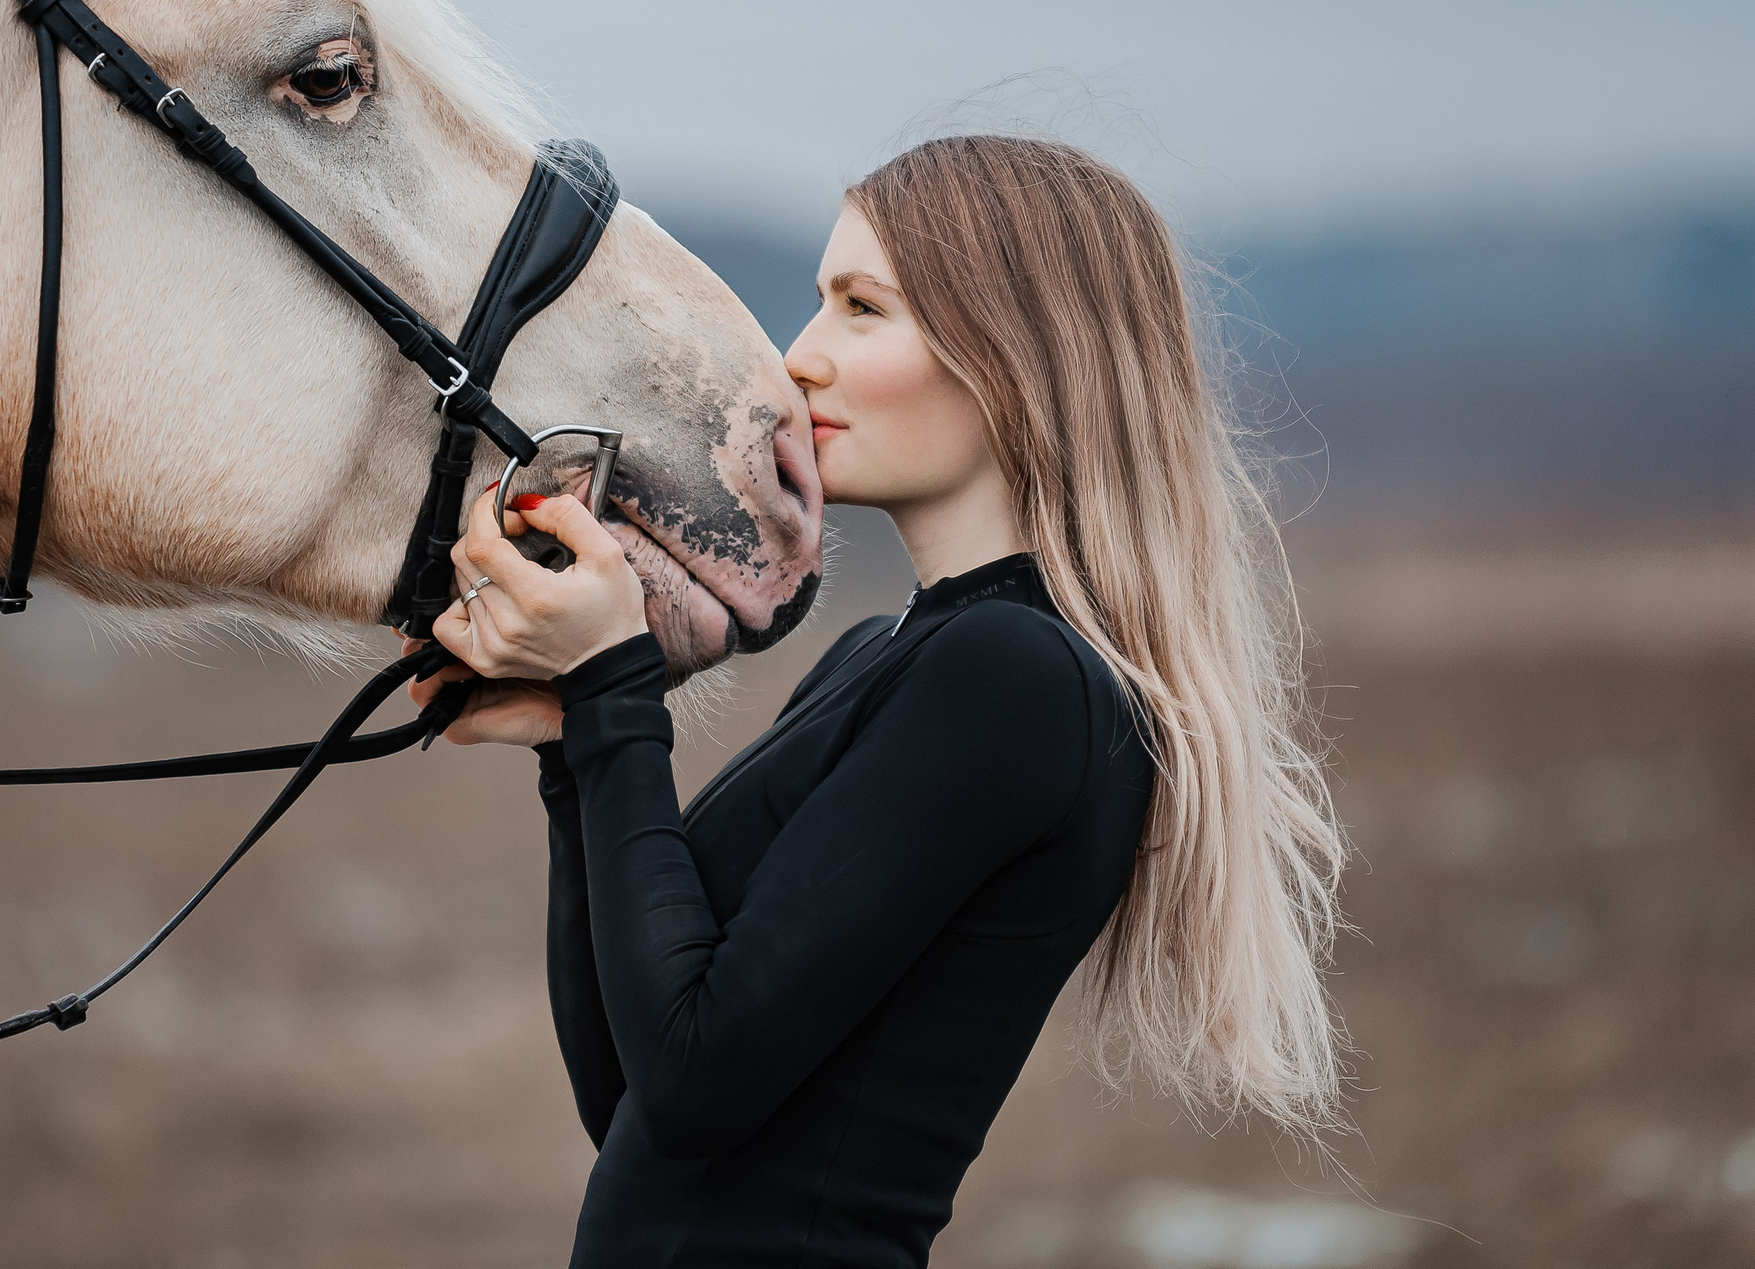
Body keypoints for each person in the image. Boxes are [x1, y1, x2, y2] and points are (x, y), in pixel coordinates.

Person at [411, 135, 1344, 1267]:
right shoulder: (889, 652)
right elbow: (634, 1099)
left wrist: (618, 692)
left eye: (862, 307)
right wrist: (577, 742)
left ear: (1015, 352)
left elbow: (697, 1081)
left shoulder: (1014, 678)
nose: (800, 357)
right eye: (820, 301)